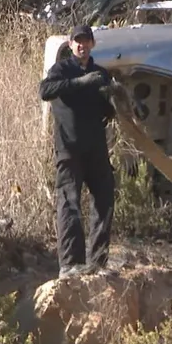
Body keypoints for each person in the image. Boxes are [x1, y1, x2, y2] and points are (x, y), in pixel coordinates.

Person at [38, 24, 117, 278]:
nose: (82, 45)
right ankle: (71, 264)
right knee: (69, 203)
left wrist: (113, 97)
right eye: (77, 41)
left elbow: (110, 111)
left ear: (92, 44)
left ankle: (98, 263)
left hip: (96, 149)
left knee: (104, 199)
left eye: (86, 40)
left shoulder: (101, 73)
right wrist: (80, 82)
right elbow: (45, 91)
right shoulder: (62, 70)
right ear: (71, 45)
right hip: (69, 149)